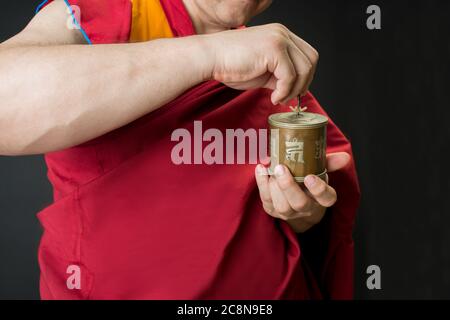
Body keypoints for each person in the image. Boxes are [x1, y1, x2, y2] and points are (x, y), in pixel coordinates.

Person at [0, 0, 360, 299]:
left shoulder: (269, 59)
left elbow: (311, 222)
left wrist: (299, 213)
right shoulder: (108, 12)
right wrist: (210, 56)